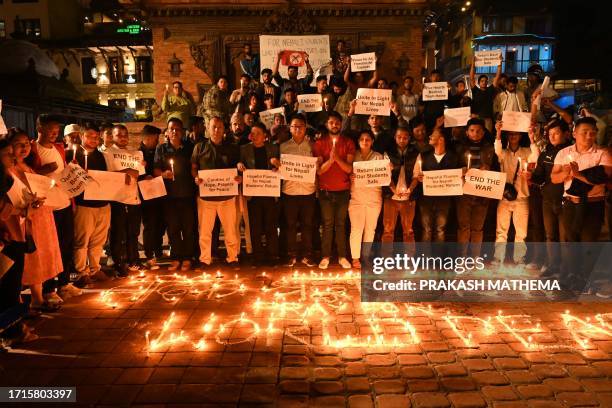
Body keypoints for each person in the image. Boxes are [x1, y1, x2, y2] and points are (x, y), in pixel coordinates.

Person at [551, 117, 612, 292]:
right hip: (570, 203)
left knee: (588, 243)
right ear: (574, 133)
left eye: (592, 132)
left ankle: (585, 279)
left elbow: (603, 177)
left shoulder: (602, 154)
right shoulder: (564, 153)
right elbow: (554, 178)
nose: (589, 136)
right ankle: (570, 276)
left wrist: (578, 175)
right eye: (584, 132)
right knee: (571, 242)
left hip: (593, 204)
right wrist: (565, 174)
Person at [7, 128, 63, 312]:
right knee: (28, 259)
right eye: (18, 145)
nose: (24, 148)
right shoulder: (8, 169)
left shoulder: (27, 165)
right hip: (23, 220)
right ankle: (19, 305)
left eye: (26, 144)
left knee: (41, 256)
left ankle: (37, 298)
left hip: (40, 216)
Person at [29, 114, 80, 301]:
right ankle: (49, 288)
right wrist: (43, 171)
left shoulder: (59, 148)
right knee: (50, 248)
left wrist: (72, 170)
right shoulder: (32, 150)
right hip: (47, 207)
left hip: (64, 202)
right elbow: (26, 175)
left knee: (66, 245)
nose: (54, 134)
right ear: (40, 128)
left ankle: (64, 283)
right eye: (51, 130)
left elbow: (63, 171)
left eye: (57, 131)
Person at [66, 123, 112, 285]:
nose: (93, 139)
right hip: (84, 204)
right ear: (82, 136)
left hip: (103, 203)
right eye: (89, 136)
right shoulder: (73, 154)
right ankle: (81, 271)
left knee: (98, 240)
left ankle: (95, 268)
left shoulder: (101, 156)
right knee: (82, 240)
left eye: (96, 137)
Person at [191, 117, 241, 268]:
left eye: (219, 127)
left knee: (230, 230)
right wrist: (196, 177)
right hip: (206, 197)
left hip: (227, 197)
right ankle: (205, 258)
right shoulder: (199, 147)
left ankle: (232, 258)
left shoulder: (232, 147)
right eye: (213, 127)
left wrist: (238, 177)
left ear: (224, 129)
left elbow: (237, 168)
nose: (216, 130)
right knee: (205, 231)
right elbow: (193, 167)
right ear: (207, 128)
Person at [492, 121, 540, 265]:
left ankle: (519, 258)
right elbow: (497, 150)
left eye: (516, 134)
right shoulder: (504, 153)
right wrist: (498, 132)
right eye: (511, 134)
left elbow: (536, 155)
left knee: (521, 232)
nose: (513, 136)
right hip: (504, 197)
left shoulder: (526, 151)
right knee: (501, 230)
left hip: (522, 196)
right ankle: (498, 257)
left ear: (520, 136)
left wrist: (532, 138)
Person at [154, 118, 196, 271]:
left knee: (188, 228)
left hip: (187, 194)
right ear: (167, 132)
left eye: (178, 129)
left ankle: (188, 257)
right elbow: (156, 169)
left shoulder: (189, 148)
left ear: (183, 132)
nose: (174, 132)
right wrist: (163, 174)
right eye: (171, 129)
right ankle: (176, 257)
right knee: (173, 228)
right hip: (169, 196)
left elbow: (195, 166)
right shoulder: (161, 149)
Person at [531, 119, 571, 276]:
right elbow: (539, 177)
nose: (552, 137)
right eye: (550, 134)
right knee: (550, 236)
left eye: (557, 133)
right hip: (547, 199)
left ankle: (566, 269)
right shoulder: (545, 153)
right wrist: (529, 177)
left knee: (565, 238)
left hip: (566, 201)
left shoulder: (571, 152)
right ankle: (553, 264)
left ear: (566, 134)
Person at [456, 118, 500, 257]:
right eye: (472, 130)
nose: (475, 133)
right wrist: (460, 170)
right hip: (464, 193)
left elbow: (498, 168)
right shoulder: (459, 147)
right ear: (467, 132)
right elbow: (450, 166)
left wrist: (489, 168)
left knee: (478, 228)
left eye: (479, 131)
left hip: (482, 193)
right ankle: (462, 258)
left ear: (483, 132)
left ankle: (475, 258)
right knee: (464, 228)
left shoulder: (489, 147)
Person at [238, 123, 280, 265]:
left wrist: (277, 165)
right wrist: (239, 165)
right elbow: (239, 165)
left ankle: (273, 255)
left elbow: (281, 168)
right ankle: (258, 256)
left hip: (269, 193)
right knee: (255, 226)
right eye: (252, 133)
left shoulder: (273, 148)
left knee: (271, 226)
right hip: (253, 194)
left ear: (265, 136)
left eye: (257, 133)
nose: (254, 136)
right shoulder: (244, 149)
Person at [103, 124, 143, 276]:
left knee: (133, 232)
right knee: (118, 232)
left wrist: (142, 168)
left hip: (134, 196)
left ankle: (134, 260)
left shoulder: (134, 153)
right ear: (112, 136)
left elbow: (140, 173)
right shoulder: (108, 153)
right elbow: (107, 173)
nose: (123, 137)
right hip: (117, 197)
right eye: (119, 135)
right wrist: (126, 171)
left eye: (125, 134)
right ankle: (118, 262)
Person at [281, 114, 317, 268]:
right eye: (294, 126)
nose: (297, 129)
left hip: (308, 191)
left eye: (300, 126)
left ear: (305, 128)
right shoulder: (283, 147)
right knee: (290, 225)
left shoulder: (312, 146)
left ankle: (307, 255)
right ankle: (291, 254)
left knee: (307, 225)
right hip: (289, 191)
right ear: (290, 128)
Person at [413, 129, 460, 243]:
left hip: (444, 200)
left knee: (440, 230)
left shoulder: (454, 157)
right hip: (426, 199)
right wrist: (418, 178)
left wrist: (462, 173)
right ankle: (426, 258)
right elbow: (415, 174)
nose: (429, 136)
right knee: (426, 229)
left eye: (433, 135)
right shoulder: (423, 156)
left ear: (441, 139)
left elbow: (459, 178)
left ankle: (437, 259)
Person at [348, 130, 383, 269]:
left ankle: (366, 256)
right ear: (358, 141)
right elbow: (346, 173)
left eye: (367, 139)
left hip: (374, 198)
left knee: (371, 229)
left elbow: (384, 177)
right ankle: (355, 258)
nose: (364, 141)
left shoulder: (379, 157)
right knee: (356, 229)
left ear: (372, 141)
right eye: (362, 139)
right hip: (356, 197)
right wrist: (351, 178)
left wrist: (388, 169)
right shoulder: (353, 156)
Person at [382, 127, 419, 244]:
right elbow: (385, 175)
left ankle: (409, 259)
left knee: (408, 230)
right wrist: (393, 190)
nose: (402, 140)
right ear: (395, 138)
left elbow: (416, 175)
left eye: (405, 138)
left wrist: (410, 189)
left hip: (408, 197)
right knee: (388, 229)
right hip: (391, 197)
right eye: (399, 137)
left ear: (409, 138)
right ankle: (386, 259)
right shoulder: (388, 152)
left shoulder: (415, 153)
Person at [139, 125, 165, 269]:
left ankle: (158, 249)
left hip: (159, 192)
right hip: (146, 194)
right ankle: (149, 254)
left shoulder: (157, 150)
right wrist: (144, 176)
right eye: (156, 138)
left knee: (160, 223)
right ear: (147, 138)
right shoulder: (138, 153)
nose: (157, 141)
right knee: (149, 224)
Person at [469, 54, 502, 131]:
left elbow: (497, 77)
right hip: (477, 119)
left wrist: (499, 63)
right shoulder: (475, 90)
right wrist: (473, 64)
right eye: (482, 81)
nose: (484, 82)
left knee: (488, 138)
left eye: (485, 81)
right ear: (479, 82)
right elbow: (471, 78)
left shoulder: (490, 90)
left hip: (488, 120)